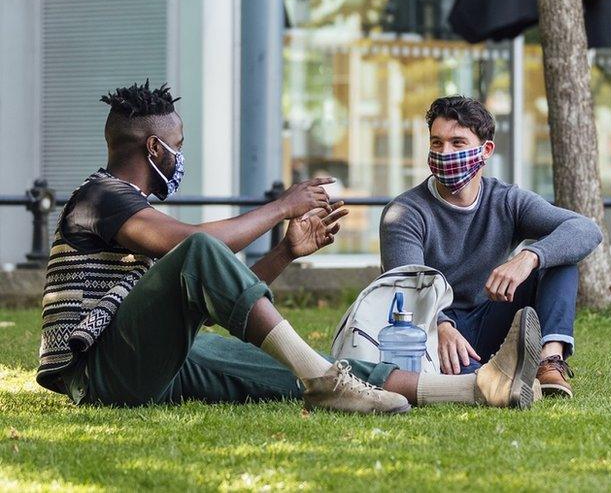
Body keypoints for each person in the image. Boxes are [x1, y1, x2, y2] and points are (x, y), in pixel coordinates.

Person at [36, 80, 543, 414]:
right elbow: (193, 250)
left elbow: (209, 301)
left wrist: (286, 253)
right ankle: (325, 383)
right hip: (99, 372)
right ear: (154, 148)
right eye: (179, 144)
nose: (179, 155)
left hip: (146, 364)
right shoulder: (99, 197)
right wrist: (282, 207)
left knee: (294, 365)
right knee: (199, 255)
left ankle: (480, 389)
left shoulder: (130, 206)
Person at [380, 95, 603, 397]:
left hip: (491, 315)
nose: (445, 153)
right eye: (436, 143)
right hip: (433, 328)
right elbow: (406, 286)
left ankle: (550, 362)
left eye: (457, 143)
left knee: (559, 259)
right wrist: (441, 326)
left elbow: (585, 229)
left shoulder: (506, 200)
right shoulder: (404, 213)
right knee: (470, 381)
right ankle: (495, 370)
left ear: (485, 151)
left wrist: (529, 256)